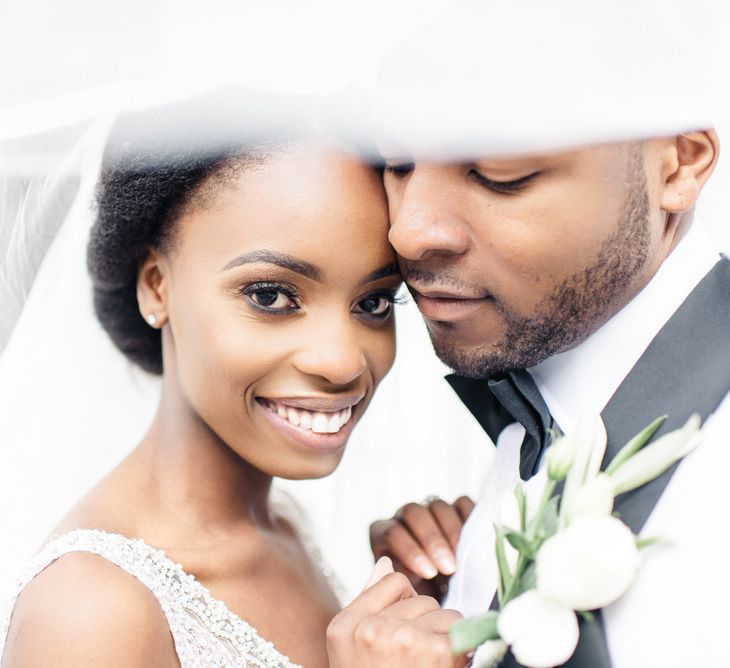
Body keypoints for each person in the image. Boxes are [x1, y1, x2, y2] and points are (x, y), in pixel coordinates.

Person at [0, 98, 466, 668]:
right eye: (270, 296)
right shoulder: (90, 611)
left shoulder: (284, 526)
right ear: (155, 286)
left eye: (372, 302)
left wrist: (428, 607)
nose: (342, 362)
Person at [331, 1, 730, 666]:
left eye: (498, 174)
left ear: (679, 165)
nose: (408, 230)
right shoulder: (537, 398)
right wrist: (462, 589)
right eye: (396, 165)